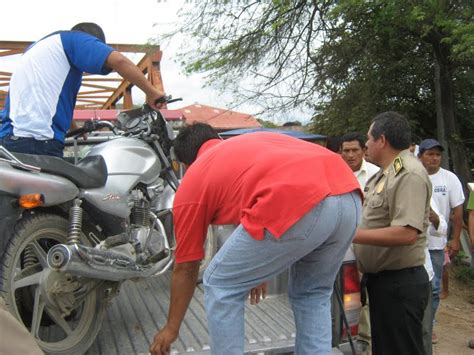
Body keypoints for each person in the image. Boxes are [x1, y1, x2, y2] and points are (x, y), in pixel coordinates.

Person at [149, 123, 362, 355]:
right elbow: (250, 210)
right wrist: (259, 269)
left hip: (300, 197)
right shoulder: (243, 149)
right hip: (349, 192)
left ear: (184, 163)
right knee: (313, 293)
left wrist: (171, 328)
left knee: (220, 283)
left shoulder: (195, 177)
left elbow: (187, 267)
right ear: (216, 138)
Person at [0, 22, 165, 157]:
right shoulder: (75, 40)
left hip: (12, 137)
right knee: (64, 194)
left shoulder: (39, 50)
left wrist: (75, 129)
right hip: (36, 139)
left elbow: (55, 102)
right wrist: (152, 92)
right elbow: (119, 61)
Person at [353, 111, 431, 355]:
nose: (366, 144)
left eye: (369, 138)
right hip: (385, 283)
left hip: (399, 284)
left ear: (382, 140)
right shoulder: (388, 173)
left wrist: (349, 234)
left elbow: (406, 233)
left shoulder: (408, 174)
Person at [418, 138, 465, 343]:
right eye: (430, 154)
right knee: (417, 287)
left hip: (437, 244)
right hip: (412, 244)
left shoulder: (449, 178)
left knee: (435, 288)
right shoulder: (414, 177)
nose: (435, 158)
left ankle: (429, 324)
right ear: (420, 156)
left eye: (437, 154)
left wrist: (455, 240)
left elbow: (457, 211)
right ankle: (418, 324)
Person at [339, 132, 379, 353]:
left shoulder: (376, 175)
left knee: (369, 294)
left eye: (355, 150)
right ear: (340, 152)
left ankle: (366, 337)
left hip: (369, 246)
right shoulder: (334, 173)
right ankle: (350, 336)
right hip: (342, 250)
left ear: (364, 151)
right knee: (349, 296)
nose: (351, 154)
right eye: (346, 150)